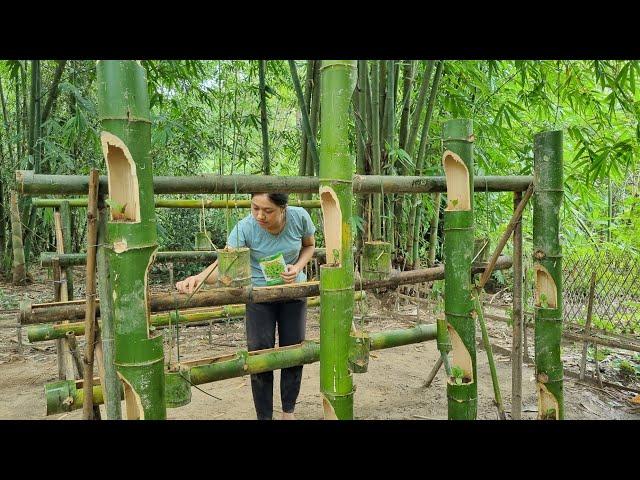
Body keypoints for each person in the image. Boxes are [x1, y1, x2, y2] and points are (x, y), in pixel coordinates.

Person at [175, 192, 316, 420]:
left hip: (294, 292)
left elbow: (309, 246)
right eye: (255, 208)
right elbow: (225, 265)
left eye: (267, 210)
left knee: (294, 352)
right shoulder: (245, 228)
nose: (260, 215)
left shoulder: (299, 217)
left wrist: (297, 267)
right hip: (258, 297)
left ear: (283, 208)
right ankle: (264, 417)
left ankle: (288, 412)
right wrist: (198, 278)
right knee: (259, 356)